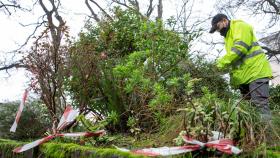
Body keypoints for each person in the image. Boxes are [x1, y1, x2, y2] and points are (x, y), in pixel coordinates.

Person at [209, 13, 273, 119]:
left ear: (224, 20)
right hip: (246, 77)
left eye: (217, 27)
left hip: (256, 72)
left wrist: (220, 64)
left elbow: (239, 49)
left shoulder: (240, 26)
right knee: (248, 110)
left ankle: (267, 135)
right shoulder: (228, 36)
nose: (218, 31)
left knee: (260, 107)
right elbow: (235, 61)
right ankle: (254, 135)